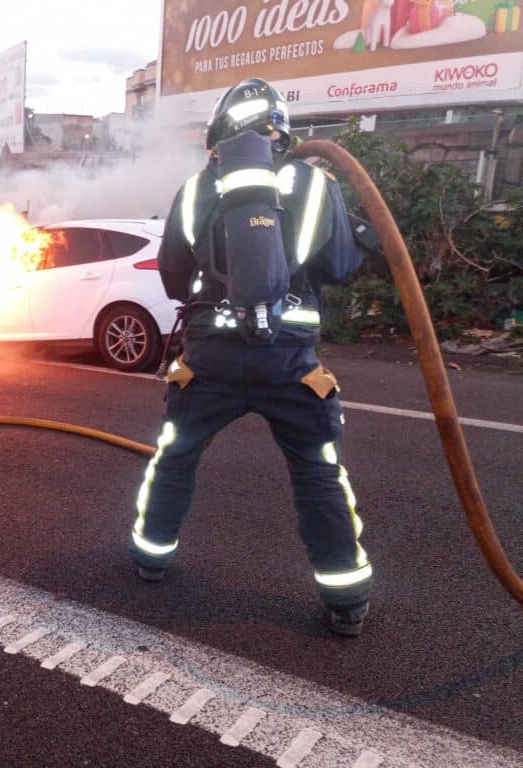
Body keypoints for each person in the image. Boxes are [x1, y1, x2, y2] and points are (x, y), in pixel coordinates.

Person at [128, 78, 373, 637]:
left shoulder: (195, 190)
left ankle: (151, 557)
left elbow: (171, 277)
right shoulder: (314, 182)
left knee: (176, 456)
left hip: (209, 361)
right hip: (290, 365)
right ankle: (346, 600)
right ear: (281, 131)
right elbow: (339, 265)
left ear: (218, 135)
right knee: (316, 471)